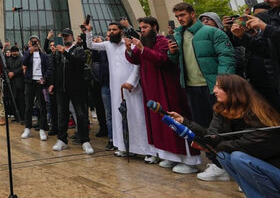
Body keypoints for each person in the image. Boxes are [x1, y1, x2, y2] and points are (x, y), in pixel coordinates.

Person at [169, 75, 280, 196]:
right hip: (269, 173)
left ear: (233, 91)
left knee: (238, 157)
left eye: (219, 87)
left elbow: (251, 144)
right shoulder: (222, 110)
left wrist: (219, 146)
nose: (214, 90)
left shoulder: (256, 111)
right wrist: (185, 123)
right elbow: (211, 137)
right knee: (224, 156)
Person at [169, 2, 236, 181]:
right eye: (177, 17)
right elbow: (181, 62)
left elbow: (227, 57)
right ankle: (216, 162)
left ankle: (228, 165)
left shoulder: (212, 32)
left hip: (212, 87)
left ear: (193, 13)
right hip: (192, 87)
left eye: (182, 15)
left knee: (221, 127)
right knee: (201, 126)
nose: (180, 19)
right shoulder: (179, 35)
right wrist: (173, 54)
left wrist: (221, 83)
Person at [125, 17, 201, 172]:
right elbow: (135, 60)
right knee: (159, 123)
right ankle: (171, 156)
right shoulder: (144, 42)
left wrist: (142, 49)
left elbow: (163, 59)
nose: (142, 30)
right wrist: (128, 49)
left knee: (174, 120)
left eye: (145, 27)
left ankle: (189, 160)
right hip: (151, 88)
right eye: (141, 28)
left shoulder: (162, 41)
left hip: (166, 88)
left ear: (154, 27)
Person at [232, 0, 280, 125]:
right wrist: (243, 37)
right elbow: (266, 51)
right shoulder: (272, 17)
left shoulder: (268, 23)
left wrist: (266, 28)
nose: (265, 0)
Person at [86, 21, 154, 159]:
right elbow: (90, 45)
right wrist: (88, 32)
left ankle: (146, 150)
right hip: (116, 88)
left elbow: (137, 65)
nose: (111, 32)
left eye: (114, 29)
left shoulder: (131, 44)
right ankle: (123, 147)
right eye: (110, 30)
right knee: (118, 117)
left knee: (137, 116)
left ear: (121, 31)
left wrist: (131, 82)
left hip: (131, 88)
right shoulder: (108, 45)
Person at [48, 28, 93, 155]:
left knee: (81, 114)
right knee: (62, 114)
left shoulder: (78, 50)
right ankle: (62, 139)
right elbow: (55, 68)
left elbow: (79, 65)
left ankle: (85, 140)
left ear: (72, 37)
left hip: (76, 88)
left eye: (67, 36)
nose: (65, 38)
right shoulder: (58, 52)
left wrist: (65, 53)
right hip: (61, 89)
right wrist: (52, 83)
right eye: (63, 36)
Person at [20, 35, 51, 141]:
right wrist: (30, 52)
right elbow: (24, 62)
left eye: (36, 41)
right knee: (28, 105)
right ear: (30, 44)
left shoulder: (44, 55)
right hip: (29, 81)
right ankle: (28, 128)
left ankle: (42, 128)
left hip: (40, 82)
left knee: (42, 105)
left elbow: (48, 68)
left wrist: (44, 79)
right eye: (32, 42)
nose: (34, 43)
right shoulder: (27, 53)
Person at [5, 45, 25, 124]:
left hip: (19, 83)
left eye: (15, 51)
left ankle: (22, 117)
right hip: (11, 83)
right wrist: (9, 73)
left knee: (21, 101)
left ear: (17, 52)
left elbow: (22, 68)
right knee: (14, 100)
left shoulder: (22, 59)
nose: (13, 53)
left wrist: (14, 73)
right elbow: (6, 68)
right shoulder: (9, 60)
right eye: (12, 51)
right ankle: (16, 117)